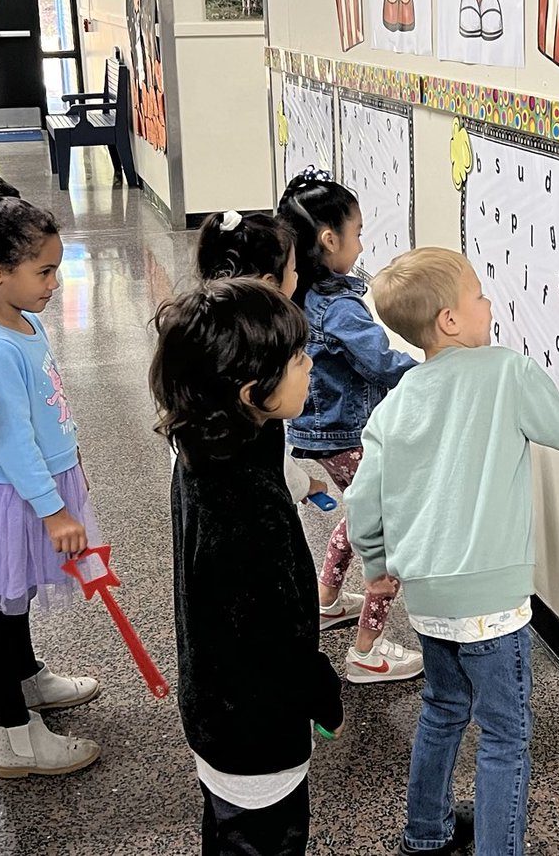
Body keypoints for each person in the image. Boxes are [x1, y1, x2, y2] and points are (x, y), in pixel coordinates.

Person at [345, 248, 559, 855]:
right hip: (493, 607)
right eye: (478, 294)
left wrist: (377, 564)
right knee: (504, 735)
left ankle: (425, 832)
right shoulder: (506, 373)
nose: (489, 302)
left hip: (429, 601)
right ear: (449, 319)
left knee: (442, 709)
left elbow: (363, 499)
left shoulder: (398, 400)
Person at [151, 279, 345, 856]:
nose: (310, 365)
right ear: (249, 391)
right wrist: (323, 694)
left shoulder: (207, 441)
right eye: (297, 358)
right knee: (260, 839)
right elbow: (275, 630)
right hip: (254, 726)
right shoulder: (246, 509)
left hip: (213, 704)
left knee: (226, 827)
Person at [0, 172, 104, 779]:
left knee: (19, 595)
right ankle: (14, 736)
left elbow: (44, 413)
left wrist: (70, 470)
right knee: (1, 614)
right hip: (15, 496)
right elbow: (10, 441)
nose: (55, 284)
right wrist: (54, 510)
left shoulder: (26, 323)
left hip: (39, 487)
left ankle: (28, 678)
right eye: (44, 272)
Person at [278, 170, 422, 684]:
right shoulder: (338, 306)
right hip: (345, 434)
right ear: (329, 239)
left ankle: (327, 600)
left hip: (317, 434)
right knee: (386, 529)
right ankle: (367, 651)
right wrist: (434, 372)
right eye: (357, 233)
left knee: (360, 511)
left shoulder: (301, 293)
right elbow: (380, 362)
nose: (361, 244)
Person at [194, 209, 327, 506]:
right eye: (293, 269)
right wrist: (303, 485)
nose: (308, 364)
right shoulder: (262, 354)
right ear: (270, 283)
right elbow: (268, 458)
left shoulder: (208, 330)